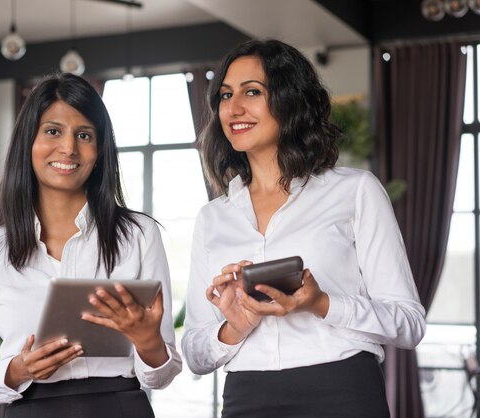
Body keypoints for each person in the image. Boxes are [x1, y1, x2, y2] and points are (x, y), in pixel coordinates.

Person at [181, 39, 426, 418]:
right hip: (246, 398)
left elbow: (409, 324)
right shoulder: (213, 217)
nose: (234, 108)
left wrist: (320, 303)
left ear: (291, 100)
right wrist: (234, 326)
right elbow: (196, 354)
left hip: (343, 392)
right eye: (226, 94)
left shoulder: (356, 191)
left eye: (253, 92)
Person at [0, 73, 181, 418]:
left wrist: (147, 340)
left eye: (84, 135)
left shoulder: (139, 234)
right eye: (53, 131)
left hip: (119, 406)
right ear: (28, 141)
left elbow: (162, 375)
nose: (69, 148)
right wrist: (18, 369)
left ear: (100, 149)